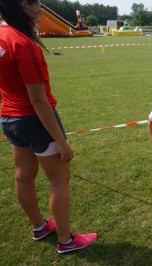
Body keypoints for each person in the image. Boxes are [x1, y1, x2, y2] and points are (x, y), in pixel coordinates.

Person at [0, 0, 97, 254]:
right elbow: (39, 101)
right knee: (59, 179)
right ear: (23, 5)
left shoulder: (2, 35)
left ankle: (40, 226)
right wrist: (62, 142)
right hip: (33, 120)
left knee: (23, 176)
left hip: (10, 119)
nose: (41, 8)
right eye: (36, 3)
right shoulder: (23, 44)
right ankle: (65, 241)